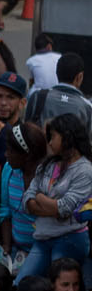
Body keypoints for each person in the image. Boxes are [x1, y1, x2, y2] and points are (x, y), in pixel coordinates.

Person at [20, 115, 92, 281]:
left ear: (67, 137)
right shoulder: (48, 165)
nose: (49, 143)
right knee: (23, 283)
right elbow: (26, 201)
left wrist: (39, 197)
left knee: (57, 286)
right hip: (43, 237)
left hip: (69, 238)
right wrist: (50, 207)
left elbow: (65, 209)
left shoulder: (85, 170)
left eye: (52, 136)